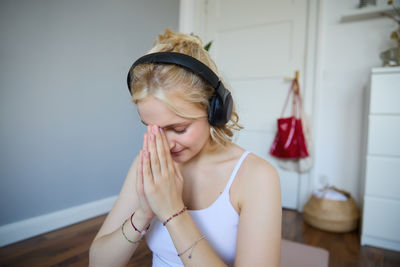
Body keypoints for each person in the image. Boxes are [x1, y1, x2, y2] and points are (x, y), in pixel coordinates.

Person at [89, 29, 282, 267]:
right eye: (152, 128)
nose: (166, 144)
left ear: (215, 111)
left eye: (179, 129)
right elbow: (99, 262)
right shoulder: (149, 164)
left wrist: (172, 211)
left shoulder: (257, 177)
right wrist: (142, 215)